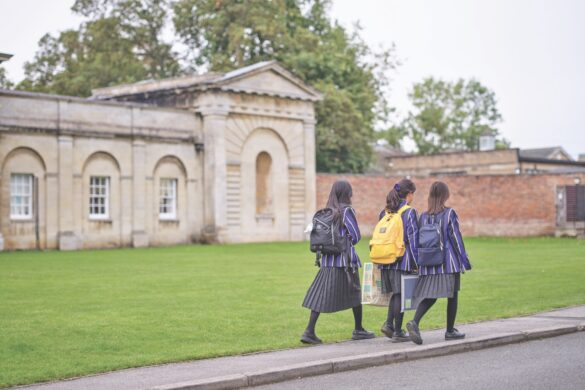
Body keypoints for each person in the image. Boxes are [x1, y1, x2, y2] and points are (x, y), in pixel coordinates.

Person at [301, 180, 375, 344]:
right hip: (346, 261)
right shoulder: (346, 211)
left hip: (327, 261)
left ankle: (309, 331)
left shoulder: (326, 211)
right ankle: (358, 329)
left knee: (320, 294)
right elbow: (355, 237)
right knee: (355, 292)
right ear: (347, 193)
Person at [406, 181, 472, 345]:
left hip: (428, 262)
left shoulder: (423, 216)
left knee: (431, 295)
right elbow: (456, 239)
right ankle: (450, 331)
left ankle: (414, 321)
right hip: (448, 262)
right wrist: (464, 260)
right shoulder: (449, 214)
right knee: (452, 295)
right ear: (445, 195)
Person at [378, 179, 419, 342]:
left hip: (384, 258)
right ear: (409, 194)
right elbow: (413, 240)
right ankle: (397, 331)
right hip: (402, 259)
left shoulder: (385, 212)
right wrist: (417, 263)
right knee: (400, 295)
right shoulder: (409, 212)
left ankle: (390, 325)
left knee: (395, 294)